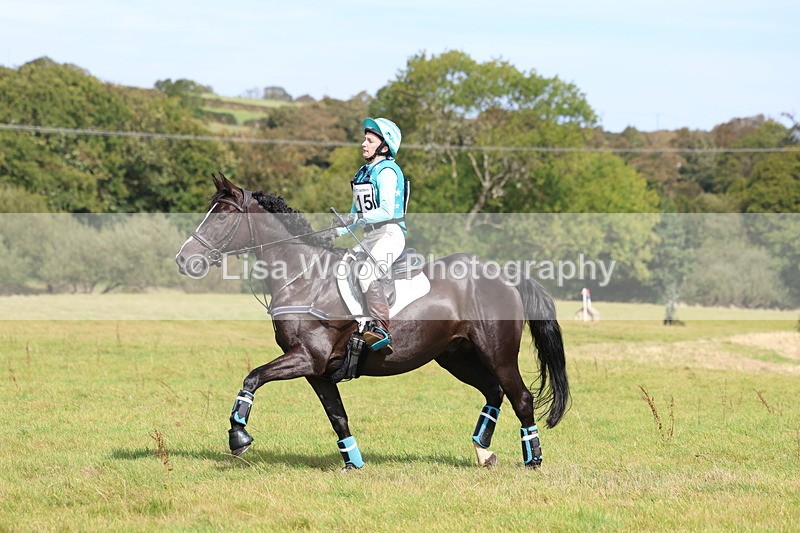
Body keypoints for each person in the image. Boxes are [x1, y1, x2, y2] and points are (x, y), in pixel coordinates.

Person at [334, 117, 408, 355]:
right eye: (364, 139)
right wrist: (337, 230)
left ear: (384, 147)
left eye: (369, 140)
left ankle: (381, 330)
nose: (363, 144)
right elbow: (356, 213)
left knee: (366, 273)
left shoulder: (387, 172)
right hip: (369, 236)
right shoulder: (364, 172)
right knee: (340, 267)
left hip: (389, 233)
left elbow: (387, 211)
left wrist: (357, 220)